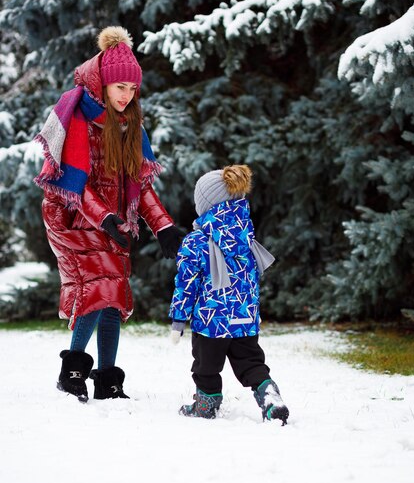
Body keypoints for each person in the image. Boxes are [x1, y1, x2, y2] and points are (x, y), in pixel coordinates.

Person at [34, 26, 182, 403]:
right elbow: (74, 184)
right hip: (76, 216)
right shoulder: (79, 118)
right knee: (100, 291)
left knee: (113, 298)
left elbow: (141, 184)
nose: (127, 96)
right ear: (103, 83)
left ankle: (107, 383)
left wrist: (163, 226)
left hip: (115, 223)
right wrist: (106, 219)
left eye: (133, 90)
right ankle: (71, 374)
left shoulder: (130, 126)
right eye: (121, 88)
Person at [169, 164, 289, 424]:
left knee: (205, 366)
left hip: (211, 323)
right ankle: (269, 395)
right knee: (251, 362)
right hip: (244, 319)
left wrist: (179, 319)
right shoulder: (246, 238)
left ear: (206, 205)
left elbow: (186, 284)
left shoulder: (196, 241)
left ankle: (206, 404)